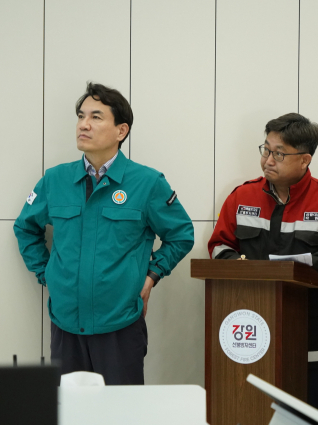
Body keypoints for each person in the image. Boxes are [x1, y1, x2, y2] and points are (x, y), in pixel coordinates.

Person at [14, 82, 194, 385]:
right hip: (65, 323)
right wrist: (47, 273)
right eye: (81, 116)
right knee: (68, 413)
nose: (83, 124)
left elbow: (182, 234)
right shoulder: (55, 179)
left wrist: (152, 275)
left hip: (120, 325)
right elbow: (25, 227)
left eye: (96, 117)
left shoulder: (146, 182)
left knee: (121, 413)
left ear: (121, 131)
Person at [207, 112, 318, 412]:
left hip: (310, 342)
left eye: (279, 153)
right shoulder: (242, 196)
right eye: (265, 149)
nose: (268, 160)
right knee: (247, 416)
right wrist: (237, 266)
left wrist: (292, 269)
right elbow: (219, 245)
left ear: (305, 160)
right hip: (249, 338)